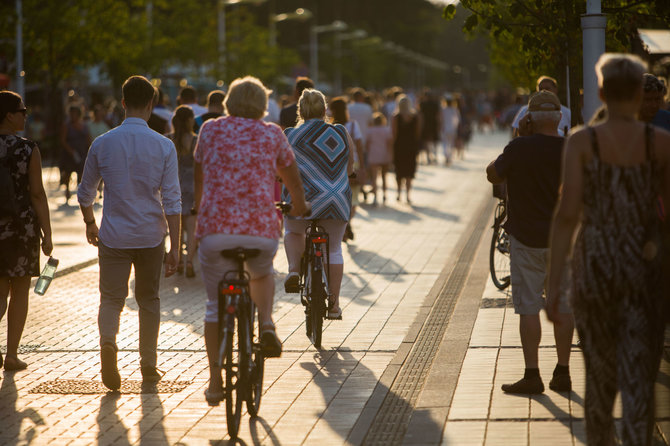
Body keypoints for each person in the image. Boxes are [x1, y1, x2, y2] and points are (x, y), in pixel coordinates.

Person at [546, 53, 670, 445]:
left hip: (595, 267)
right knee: (640, 381)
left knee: (599, 379)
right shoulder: (661, 143)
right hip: (645, 269)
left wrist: (555, 286)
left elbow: (567, 216)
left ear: (600, 91)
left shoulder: (583, 141)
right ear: (639, 92)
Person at [194, 76, 310, 404]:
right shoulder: (272, 133)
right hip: (260, 230)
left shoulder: (211, 130)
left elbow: (200, 174)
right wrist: (300, 205)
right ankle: (268, 323)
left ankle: (216, 382)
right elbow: (292, 178)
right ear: (262, 105)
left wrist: (201, 212)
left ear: (229, 101)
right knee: (260, 273)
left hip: (215, 232)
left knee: (215, 307)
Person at [77, 75, 182, 391]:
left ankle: (108, 343)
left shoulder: (103, 143)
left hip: (113, 236)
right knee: (149, 299)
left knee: (111, 298)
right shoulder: (164, 146)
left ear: (122, 103)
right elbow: (173, 200)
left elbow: (85, 194)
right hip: (151, 236)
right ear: (151, 104)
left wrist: (89, 223)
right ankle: (148, 364)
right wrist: (176, 247)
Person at [486, 91, 574, 395]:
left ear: (528, 119)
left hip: (526, 239)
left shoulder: (519, 147)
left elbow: (492, 174)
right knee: (562, 305)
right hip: (563, 240)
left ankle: (532, 375)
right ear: (561, 118)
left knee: (528, 308)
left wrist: (520, 138)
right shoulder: (570, 149)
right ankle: (563, 372)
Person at [282, 89, 354, 321]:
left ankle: (294, 270)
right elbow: (351, 168)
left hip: (301, 200)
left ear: (300, 110)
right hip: (336, 200)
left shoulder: (290, 135)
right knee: (333, 248)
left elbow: (279, 168)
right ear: (325, 110)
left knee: (293, 232)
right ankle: (334, 305)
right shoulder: (340, 132)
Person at [0, 91, 53, 371]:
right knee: (20, 290)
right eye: (22, 110)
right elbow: (37, 195)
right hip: (22, 229)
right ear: (9, 114)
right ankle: (11, 354)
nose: (25, 114)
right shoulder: (27, 149)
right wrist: (47, 233)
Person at [330, 96, 365, 241]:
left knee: (340, 196)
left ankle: (343, 226)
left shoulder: (330, 127)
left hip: (335, 166)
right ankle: (348, 222)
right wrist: (362, 166)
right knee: (354, 198)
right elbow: (359, 145)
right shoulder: (352, 125)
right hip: (353, 164)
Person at [170, 105, 198, 277]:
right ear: (189, 120)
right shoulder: (196, 140)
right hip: (193, 186)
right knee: (192, 227)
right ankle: (189, 262)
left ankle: (178, 259)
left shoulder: (168, 139)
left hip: (174, 186)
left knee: (177, 226)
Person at [60, 105, 92, 204]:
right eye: (71, 113)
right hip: (70, 152)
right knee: (68, 172)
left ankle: (80, 192)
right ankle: (67, 190)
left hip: (81, 151)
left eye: (75, 113)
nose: (73, 115)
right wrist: (70, 150)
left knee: (81, 172)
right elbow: (63, 140)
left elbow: (88, 139)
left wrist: (90, 150)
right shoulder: (67, 125)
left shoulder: (84, 125)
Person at [392, 94, 421, 204]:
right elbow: (417, 133)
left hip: (399, 147)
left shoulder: (396, 117)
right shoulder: (415, 117)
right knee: (409, 171)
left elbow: (394, 134)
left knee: (399, 171)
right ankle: (408, 194)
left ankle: (399, 193)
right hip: (411, 147)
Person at [366, 112, 393, 204]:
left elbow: (367, 144)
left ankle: (375, 197)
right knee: (384, 176)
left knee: (374, 177)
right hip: (385, 155)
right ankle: (385, 195)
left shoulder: (370, 130)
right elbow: (389, 144)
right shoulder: (387, 130)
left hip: (373, 155)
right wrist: (390, 155)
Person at [419, 89, 441, 165]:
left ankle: (428, 157)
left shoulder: (422, 104)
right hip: (433, 124)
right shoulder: (435, 104)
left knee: (426, 141)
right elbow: (438, 116)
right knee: (434, 141)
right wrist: (439, 125)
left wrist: (420, 126)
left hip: (425, 125)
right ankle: (435, 156)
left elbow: (420, 116)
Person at [441, 97, 460, 166]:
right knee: (451, 144)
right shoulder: (455, 110)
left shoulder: (443, 110)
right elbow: (457, 120)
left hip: (445, 129)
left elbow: (441, 119)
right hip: (452, 129)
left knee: (445, 144)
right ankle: (450, 157)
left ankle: (446, 156)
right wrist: (455, 127)